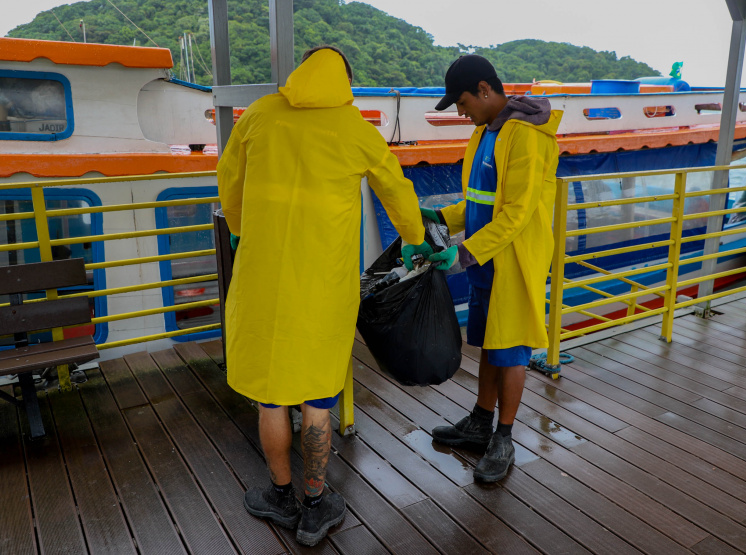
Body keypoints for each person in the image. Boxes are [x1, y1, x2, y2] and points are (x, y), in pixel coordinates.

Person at [217, 45, 431, 546]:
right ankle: (315, 506)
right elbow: (396, 190)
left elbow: (230, 176)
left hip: (264, 280)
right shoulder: (355, 128)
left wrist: (240, 225)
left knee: (272, 396)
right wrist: (417, 238)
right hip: (323, 285)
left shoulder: (260, 115)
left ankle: (280, 495)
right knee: (317, 395)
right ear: (345, 83)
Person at [422, 54, 562, 482]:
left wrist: (462, 255)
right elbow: (480, 203)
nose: (461, 113)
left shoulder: (526, 137)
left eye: (463, 103)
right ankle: (481, 421)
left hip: (513, 263)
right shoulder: (486, 133)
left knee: (511, 350)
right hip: (487, 261)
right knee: (488, 343)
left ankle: (504, 437)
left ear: (484, 90)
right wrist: (438, 220)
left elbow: (516, 214)